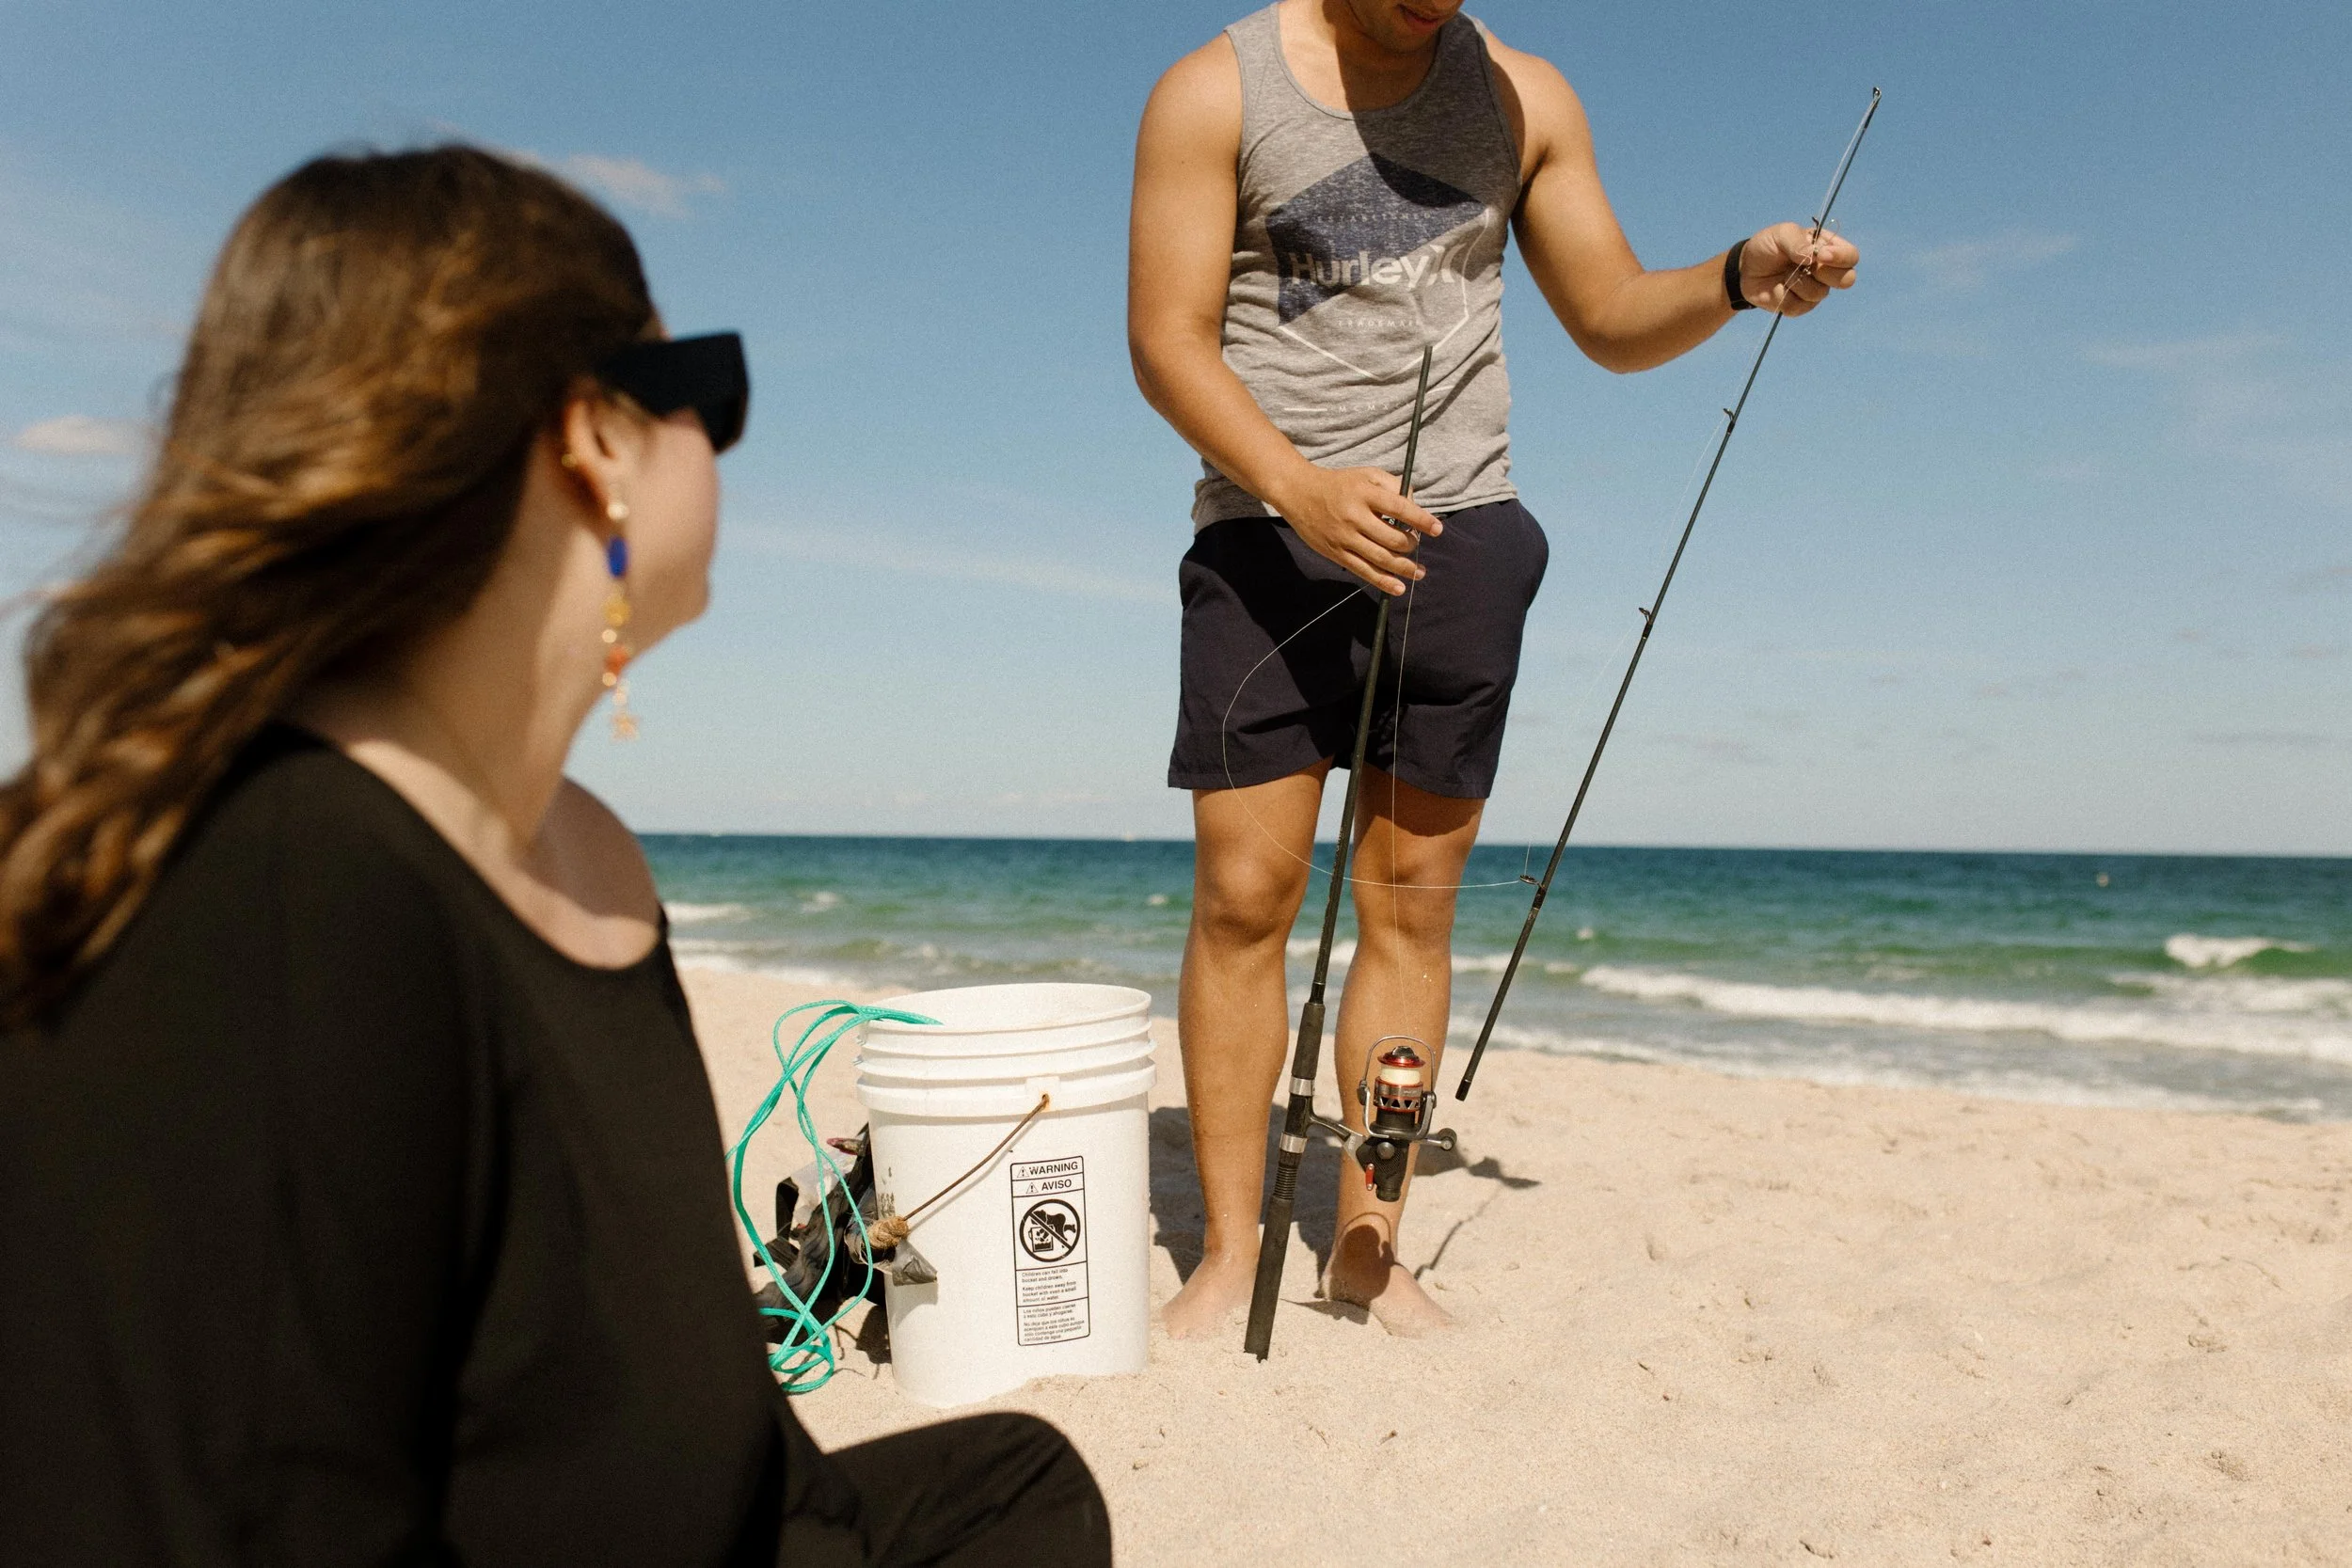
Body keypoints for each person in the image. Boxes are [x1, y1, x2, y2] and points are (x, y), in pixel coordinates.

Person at [0, 147, 1110, 1567]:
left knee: (1019, 1482)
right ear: (593, 438)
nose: (723, 439)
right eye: (707, 391)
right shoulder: (295, 899)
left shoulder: (579, 858)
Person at [1128, 0, 1860, 1338]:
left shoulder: (1526, 101)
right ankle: (1229, 1252)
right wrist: (1296, 487)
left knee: (1408, 910)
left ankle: (1368, 1237)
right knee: (1245, 897)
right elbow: (1166, 340)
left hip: (1460, 543)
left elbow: (1612, 316)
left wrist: (1738, 276)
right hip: (1265, 538)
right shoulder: (1211, 90)